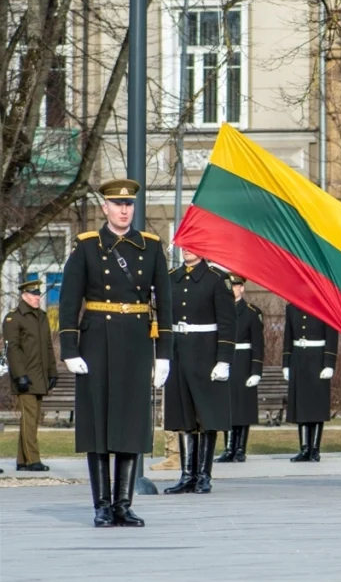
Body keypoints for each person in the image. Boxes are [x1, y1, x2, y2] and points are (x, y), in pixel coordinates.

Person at [57, 179, 172, 527]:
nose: (124, 210)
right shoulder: (87, 247)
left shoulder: (151, 247)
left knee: (131, 423)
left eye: (129, 204)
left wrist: (163, 353)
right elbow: (68, 301)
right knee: (98, 424)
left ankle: (123, 503)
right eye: (117, 204)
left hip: (137, 341)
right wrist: (69, 347)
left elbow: (165, 304)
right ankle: (101, 505)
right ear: (105, 207)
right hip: (97, 341)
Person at [163, 250, 236, 494]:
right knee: (184, 417)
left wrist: (223, 359)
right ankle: (187, 475)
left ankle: (204, 475)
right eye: (183, 244)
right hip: (179, 352)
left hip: (206, 354)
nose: (186, 249)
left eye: (191, 244)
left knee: (206, 417)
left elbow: (227, 323)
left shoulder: (217, 278)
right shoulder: (172, 277)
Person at [4, 279, 59, 472]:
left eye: (38, 294)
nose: (37, 298)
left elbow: (48, 347)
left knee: (32, 419)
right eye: (33, 295)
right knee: (29, 417)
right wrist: (20, 375)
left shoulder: (42, 317)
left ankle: (22, 460)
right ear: (24, 296)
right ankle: (32, 460)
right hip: (25, 377)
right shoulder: (14, 318)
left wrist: (53, 372)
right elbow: (13, 349)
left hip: (39, 376)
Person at [215, 274, 264, 463]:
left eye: (236, 286)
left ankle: (240, 449)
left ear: (242, 288)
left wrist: (256, 371)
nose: (233, 289)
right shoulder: (221, 311)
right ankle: (228, 448)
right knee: (228, 407)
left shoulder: (252, 312)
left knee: (243, 408)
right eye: (230, 286)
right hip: (226, 361)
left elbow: (258, 345)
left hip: (243, 362)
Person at [282, 303, 338, 462]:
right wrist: (286, 363)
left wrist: (329, 364)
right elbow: (288, 336)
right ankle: (304, 448)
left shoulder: (325, 306)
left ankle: (315, 449)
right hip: (298, 359)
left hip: (318, 359)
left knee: (317, 405)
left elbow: (331, 336)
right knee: (302, 405)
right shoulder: (292, 307)